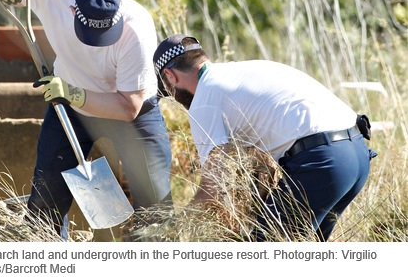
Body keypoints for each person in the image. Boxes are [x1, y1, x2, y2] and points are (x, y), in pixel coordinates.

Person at [0, 0, 173, 237]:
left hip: (130, 112)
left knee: (156, 200)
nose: (101, 41)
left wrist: (75, 94)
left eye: (107, 31)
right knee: (46, 197)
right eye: (94, 33)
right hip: (71, 111)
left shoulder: (138, 27)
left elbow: (129, 107)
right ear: (73, 10)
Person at [153, 34, 377, 241]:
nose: (173, 98)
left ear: (170, 77)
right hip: (356, 153)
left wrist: (175, 227)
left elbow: (213, 189)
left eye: (167, 91)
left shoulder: (205, 99)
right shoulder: (245, 70)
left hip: (323, 162)